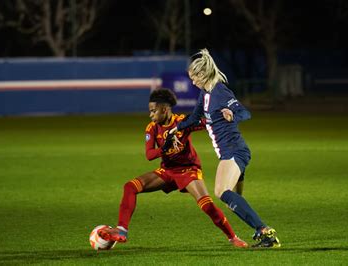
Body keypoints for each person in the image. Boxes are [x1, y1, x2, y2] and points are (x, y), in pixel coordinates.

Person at [98, 88, 248, 248]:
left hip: (188, 171)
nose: (151, 115)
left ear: (164, 109)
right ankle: (121, 230)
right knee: (130, 187)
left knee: (207, 205)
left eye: (153, 111)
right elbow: (149, 155)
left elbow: (206, 122)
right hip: (167, 171)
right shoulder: (152, 128)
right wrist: (164, 148)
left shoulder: (182, 122)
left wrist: (223, 116)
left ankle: (233, 237)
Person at [169, 48, 280, 248]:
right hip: (230, 151)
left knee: (221, 191)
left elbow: (245, 113)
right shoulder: (205, 93)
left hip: (234, 150)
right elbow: (195, 118)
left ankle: (265, 232)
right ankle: (263, 232)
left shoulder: (220, 91)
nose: (192, 82)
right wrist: (174, 129)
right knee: (232, 197)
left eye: (194, 77)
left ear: (203, 74)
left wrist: (233, 115)